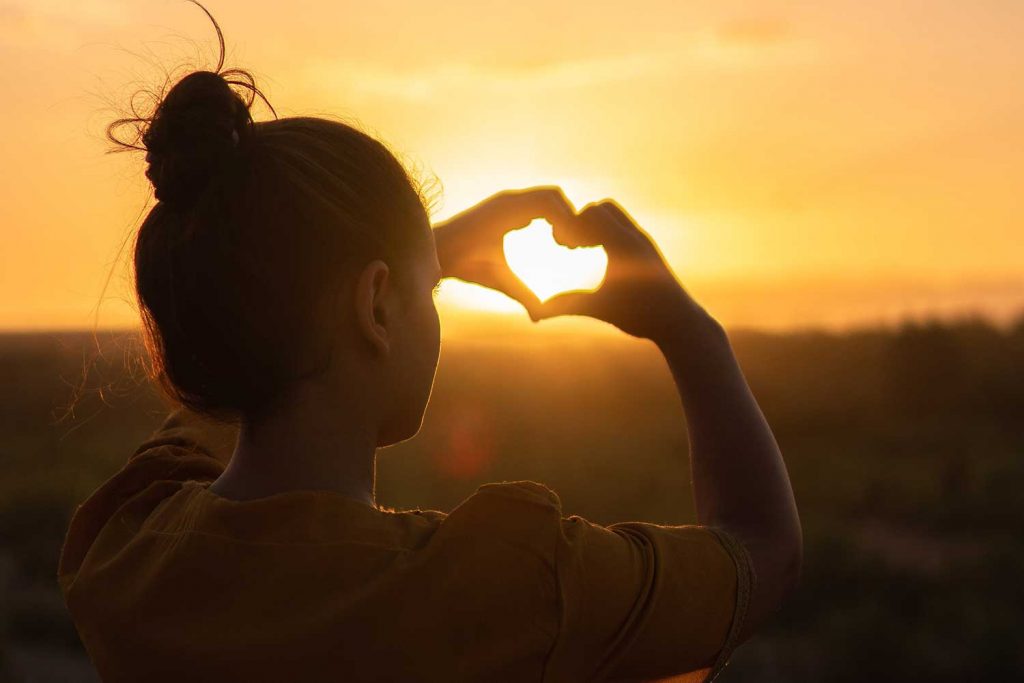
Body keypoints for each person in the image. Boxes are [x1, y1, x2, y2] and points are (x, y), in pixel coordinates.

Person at [57, 6, 801, 682]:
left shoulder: (126, 552)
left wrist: (396, 261)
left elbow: (239, 362)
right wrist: (688, 329)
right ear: (376, 305)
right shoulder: (508, 588)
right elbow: (760, 550)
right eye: (431, 290)